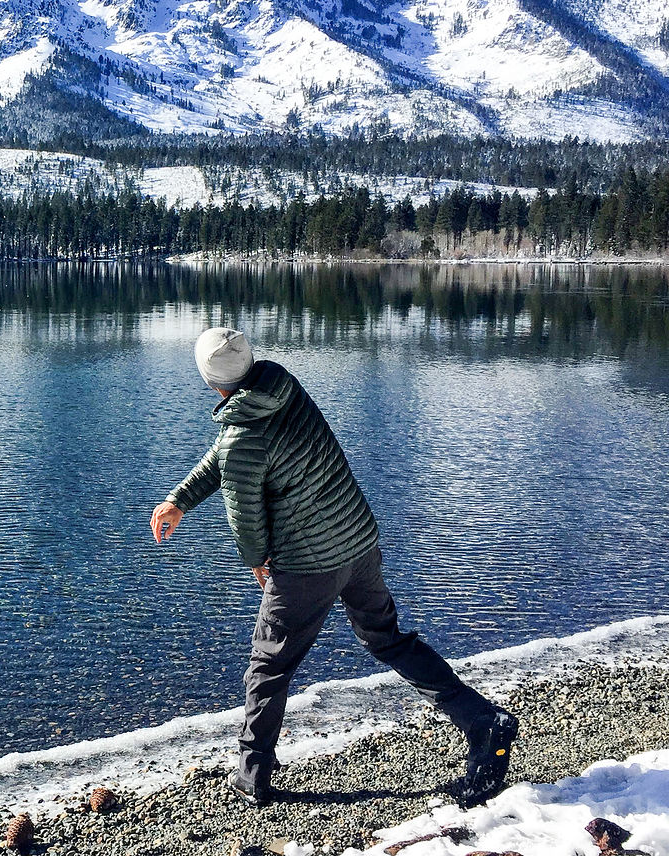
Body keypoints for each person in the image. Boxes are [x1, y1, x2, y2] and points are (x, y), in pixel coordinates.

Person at [149, 327, 518, 808]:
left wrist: (258, 560)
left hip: (307, 564)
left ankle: (252, 773)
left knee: (270, 663)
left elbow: (245, 511)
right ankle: (481, 720)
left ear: (210, 381)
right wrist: (181, 498)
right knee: (388, 640)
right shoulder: (282, 388)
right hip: (357, 540)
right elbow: (230, 455)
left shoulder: (242, 433)